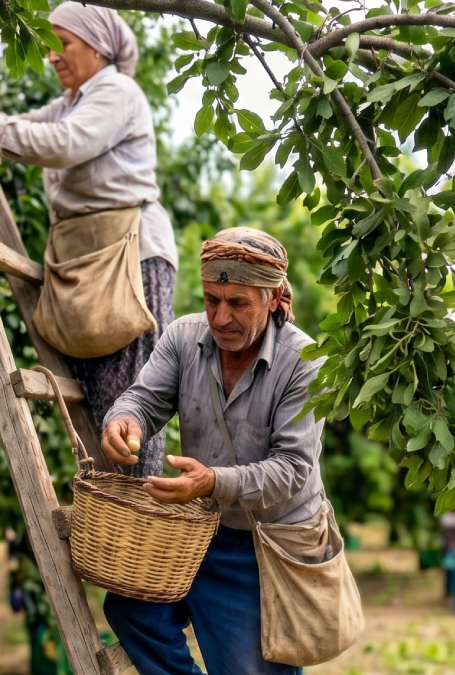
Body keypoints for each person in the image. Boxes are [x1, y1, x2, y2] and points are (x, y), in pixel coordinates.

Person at [0, 3, 177, 478]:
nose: (52, 55)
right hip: (91, 255)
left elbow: (64, 143)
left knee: (132, 398)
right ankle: (116, 513)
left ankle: (136, 518)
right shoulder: (75, 99)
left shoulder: (116, 90)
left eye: (63, 43)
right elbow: (26, 124)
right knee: (102, 398)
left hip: (128, 255)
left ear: (96, 47)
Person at [98, 228, 323, 675]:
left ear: (274, 297)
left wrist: (213, 481)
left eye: (237, 303)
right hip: (200, 534)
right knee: (130, 610)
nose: (220, 318)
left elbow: (293, 469)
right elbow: (143, 399)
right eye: (210, 299)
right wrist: (123, 420)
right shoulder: (184, 338)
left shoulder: (303, 361)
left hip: (269, 546)